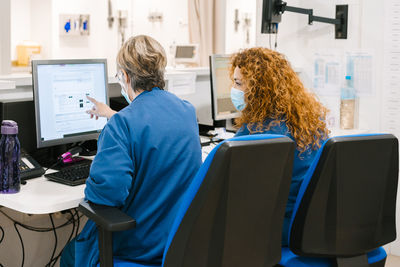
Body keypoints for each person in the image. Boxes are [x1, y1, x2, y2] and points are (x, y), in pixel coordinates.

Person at [60, 35, 202, 266]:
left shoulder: (122, 125)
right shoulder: (186, 111)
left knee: (69, 255)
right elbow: (152, 126)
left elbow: (106, 195)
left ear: (125, 76)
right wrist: (114, 116)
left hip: (138, 247)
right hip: (177, 245)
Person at [229, 47, 329, 246]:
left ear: (259, 88)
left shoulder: (256, 133)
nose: (233, 89)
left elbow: (228, 187)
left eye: (238, 83)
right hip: (313, 222)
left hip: (280, 227)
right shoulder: (309, 121)